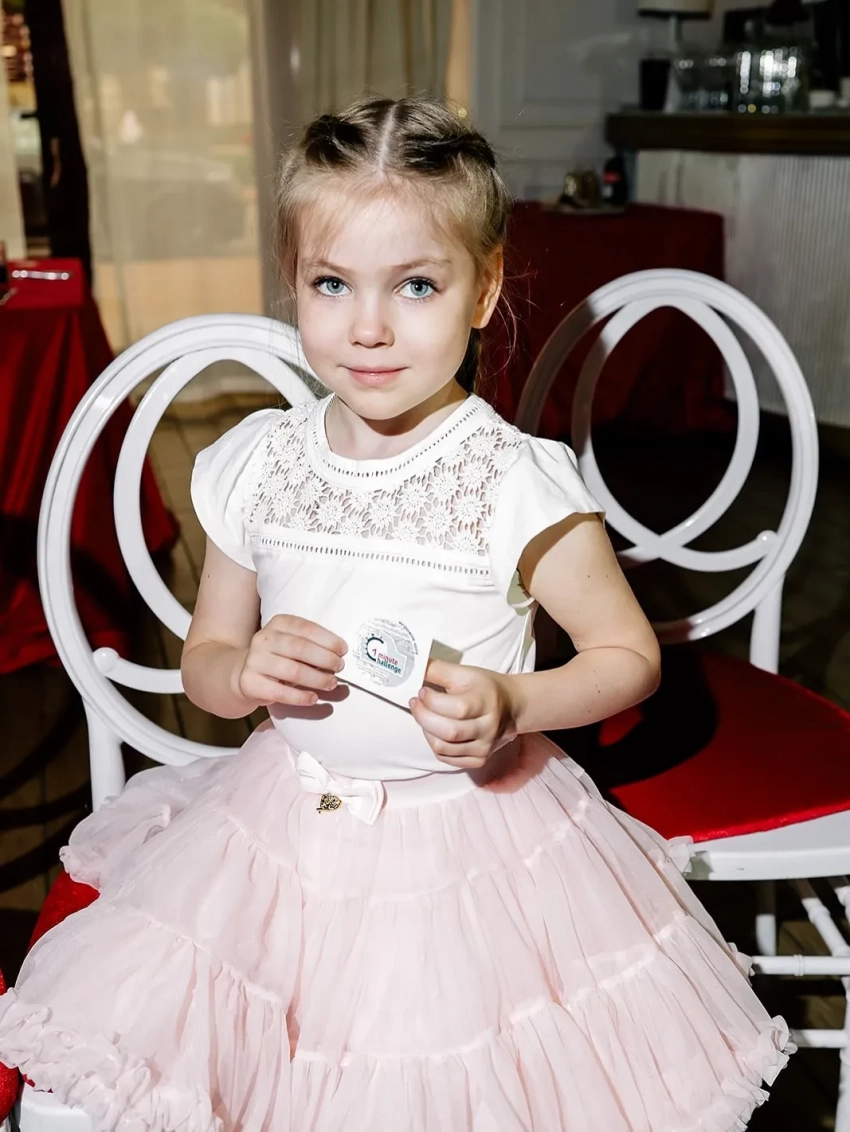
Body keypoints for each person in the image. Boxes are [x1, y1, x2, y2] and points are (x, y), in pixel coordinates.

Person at [0, 96, 791, 1132]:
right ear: (293, 281)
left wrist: (514, 699)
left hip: (473, 846)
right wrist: (242, 671)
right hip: (283, 834)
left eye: (416, 285)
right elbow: (207, 662)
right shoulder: (261, 463)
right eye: (331, 284)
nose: (368, 327)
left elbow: (626, 655)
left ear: (483, 288)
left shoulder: (512, 481)